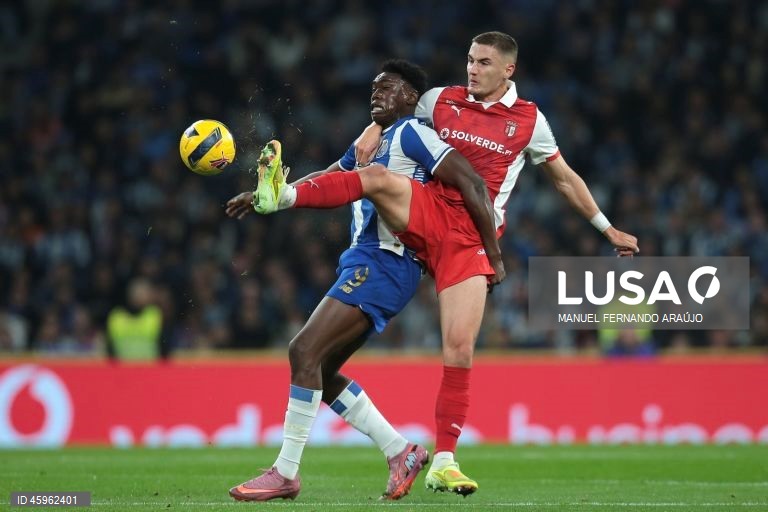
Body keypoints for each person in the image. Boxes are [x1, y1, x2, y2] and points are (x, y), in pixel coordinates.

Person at [260, 32, 640, 496]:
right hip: (427, 213)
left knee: (458, 348)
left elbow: (563, 179)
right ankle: (287, 199)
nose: (472, 69)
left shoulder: (528, 121)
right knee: (378, 177)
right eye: (469, 60)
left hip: (469, 239)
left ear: (508, 71)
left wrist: (607, 229)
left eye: (483, 63)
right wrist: (372, 127)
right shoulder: (441, 100)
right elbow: (395, 117)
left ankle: (442, 461)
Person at [225, 59, 502, 501]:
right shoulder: (368, 146)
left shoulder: (413, 133)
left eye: (388, 87)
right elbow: (329, 179)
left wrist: (490, 249)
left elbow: (467, 179)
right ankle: (400, 451)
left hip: (388, 260)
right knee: (322, 369)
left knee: (303, 350)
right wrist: (269, 199)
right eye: (373, 87)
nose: (377, 93)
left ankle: (285, 473)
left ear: (411, 98)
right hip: (362, 261)